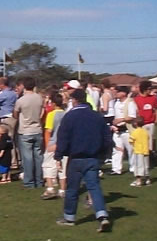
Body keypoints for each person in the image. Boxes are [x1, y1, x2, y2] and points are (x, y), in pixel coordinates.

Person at [54, 89, 111, 232]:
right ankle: (102, 215)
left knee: (72, 189)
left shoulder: (70, 116)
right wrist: (104, 154)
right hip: (93, 157)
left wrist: (58, 156)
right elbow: (106, 137)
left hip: (75, 158)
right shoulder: (96, 116)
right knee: (94, 187)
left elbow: (63, 138)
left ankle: (69, 217)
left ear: (74, 100)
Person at [14, 77, 44, 188]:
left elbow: (15, 114)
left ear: (24, 86)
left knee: (27, 158)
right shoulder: (39, 98)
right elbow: (42, 111)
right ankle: (39, 180)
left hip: (25, 130)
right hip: (37, 129)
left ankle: (29, 182)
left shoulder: (21, 100)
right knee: (38, 157)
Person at [41, 92, 66, 199]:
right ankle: (62, 190)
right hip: (64, 144)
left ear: (54, 103)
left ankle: (50, 188)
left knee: (48, 166)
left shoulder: (51, 115)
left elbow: (48, 131)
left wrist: (47, 146)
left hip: (53, 143)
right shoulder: (66, 114)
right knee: (63, 168)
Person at [110, 86, 137, 175]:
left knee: (131, 150)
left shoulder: (130, 102)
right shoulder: (116, 103)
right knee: (117, 149)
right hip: (117, 129)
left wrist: (121, 120)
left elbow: (132, 116)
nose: (116, 93)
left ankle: (133, 168)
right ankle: (116, 169)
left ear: (124, 93)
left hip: (127, 130)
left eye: (118, 91)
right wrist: (114, 124)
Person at [134, 80, 157, 155]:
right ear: (144, 89)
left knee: (149, 140)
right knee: (140, 140)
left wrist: (156, 119)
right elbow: (136, 111)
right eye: (149, 89)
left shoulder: (153, 98)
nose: (150, 90)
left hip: (150, 122)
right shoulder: (136, 99)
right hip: (141, 123)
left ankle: (149, 155)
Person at [129, 116, 151, 186]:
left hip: (138, 151)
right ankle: (147, 180)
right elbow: (148, 138)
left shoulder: (135, 132)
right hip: (146, 151)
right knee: (146, 166)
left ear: (136, 124)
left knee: (138, 166)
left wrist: (133, 145)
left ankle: (138, 181)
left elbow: (131, 141)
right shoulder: (145, 131)